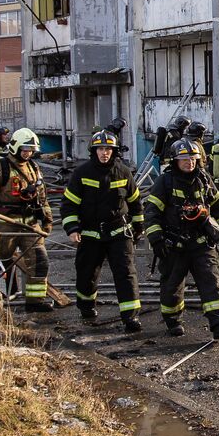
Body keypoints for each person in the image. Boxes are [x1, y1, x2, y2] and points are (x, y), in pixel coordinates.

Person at [145, 139, 219, 339]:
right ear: (175, 161)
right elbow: (151, 212)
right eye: (185, 159)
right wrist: (156, 239)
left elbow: (218, 206)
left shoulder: (204, 179)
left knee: (211, 280)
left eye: (193, 159)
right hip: (174, 246)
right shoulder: (165, 182)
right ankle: (173, 320)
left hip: (201, 243)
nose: (190, 163)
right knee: (172, 286)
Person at [61, 131, 145, 332]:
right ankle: (87, 306)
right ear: (94, 151)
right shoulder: (82, 173)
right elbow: (68, 205)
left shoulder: (124, 172)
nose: (104, 153)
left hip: (119, 232)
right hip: (90, 233)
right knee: (86, 273)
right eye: (100, 148)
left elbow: (135, 203)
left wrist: (138, 227)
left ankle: (130, 317)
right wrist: (72, 228)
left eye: (108, 149)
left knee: (126, 274)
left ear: (114, 151)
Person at [0, 127, 53, 312]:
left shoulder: (34, 167)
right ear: (15, 147)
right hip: (6, 223)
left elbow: (42, 198)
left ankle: (35, 302)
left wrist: (47, 221)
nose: (28, 153)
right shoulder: (0, 168)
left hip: (31, 224)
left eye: (31, 150)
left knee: (39, 262)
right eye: (25, 149)